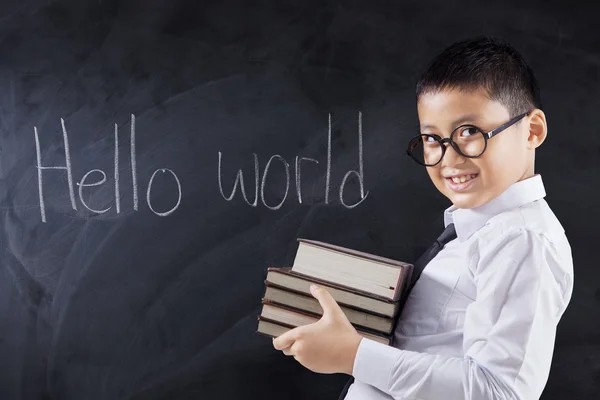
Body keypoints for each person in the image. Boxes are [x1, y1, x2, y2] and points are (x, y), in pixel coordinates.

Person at [272, 36, 574, 400]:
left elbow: (500, 391)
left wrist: (354, 356)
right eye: (432, 138)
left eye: (469, 132)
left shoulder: (522, 240)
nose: (449, 158)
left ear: (532, 130)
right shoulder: (475, 230)